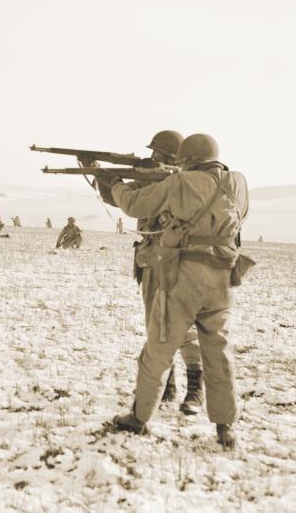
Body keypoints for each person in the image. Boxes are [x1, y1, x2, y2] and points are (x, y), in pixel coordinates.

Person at [101, 133, 249, 449]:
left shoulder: (180, 182)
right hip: (221, 278)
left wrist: (114, 183)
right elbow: (240, 216)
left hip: (183, 277)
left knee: (158, 348)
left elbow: (133, 203)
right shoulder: (237, 183)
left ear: (188, 159)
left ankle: (138, 418)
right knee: (218, 352)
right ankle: (225, 428)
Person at [99, 130, 202, 412]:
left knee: (185, 329)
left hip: (178, 264)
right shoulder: (156, 180)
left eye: (156, 154)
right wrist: (100, 173)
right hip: (150, 261)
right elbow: (119, 198)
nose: (151, 158)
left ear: (171, 158)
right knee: (155, 328)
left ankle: (195, 389)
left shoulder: (181, 183)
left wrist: (120, 181)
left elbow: (133, 203)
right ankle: (167, 387)